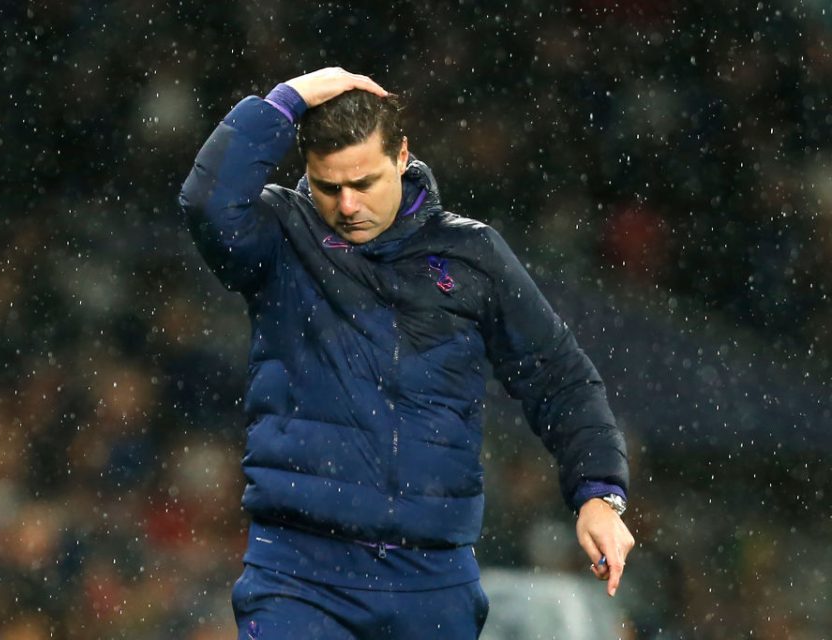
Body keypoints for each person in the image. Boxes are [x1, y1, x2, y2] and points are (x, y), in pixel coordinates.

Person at [178, 67, 634, 640]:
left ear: (401, 157)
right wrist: (287, 100)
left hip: (432, 579)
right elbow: (205, 204)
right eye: (327, 186)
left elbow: (560, 378)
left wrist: (599, 493)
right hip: (298, 574)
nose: (346, 205)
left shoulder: (472, 256)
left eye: (363, 182)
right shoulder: (281, 234)